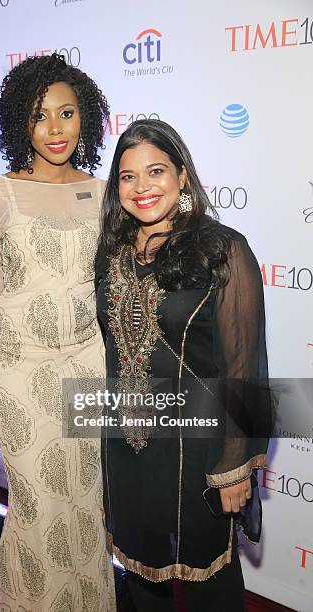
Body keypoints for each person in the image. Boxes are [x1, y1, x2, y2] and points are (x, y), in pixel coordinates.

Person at [0, 53, 116, 611]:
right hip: (18, 373)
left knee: (89, 506)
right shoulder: (0, 194)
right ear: (20, 121)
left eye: (66, 113)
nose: (54, 128)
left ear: (84, 118)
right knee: (39, 507)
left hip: (88, 366)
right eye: (39, 115)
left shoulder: (102, 194)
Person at [95, 119, 271, 611]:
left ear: (183, 177)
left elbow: (244, 366)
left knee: (211, 587)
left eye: (156, 171)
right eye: (128, 177)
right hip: (129, 451)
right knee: (139, 582)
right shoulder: (110, 256)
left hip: (198, 454)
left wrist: (235, 465)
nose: (142, 186)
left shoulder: (223, 250)